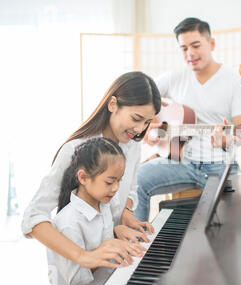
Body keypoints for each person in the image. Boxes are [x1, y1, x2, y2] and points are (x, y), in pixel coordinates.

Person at [22, 71, 160, 271]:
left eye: (147, 122)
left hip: (112, 265)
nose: (140, 129)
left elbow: (128, 192)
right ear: (112, 104)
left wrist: (125, 215)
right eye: (136, 118)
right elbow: (33, 217)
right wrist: (84, 257)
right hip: (78, 274)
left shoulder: (132, 146)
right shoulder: (75, 150)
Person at [134, 17, 241, 222]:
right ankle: (135, 247)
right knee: (135, 182)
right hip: (181, 162)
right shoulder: (174, 77)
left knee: (239, 215)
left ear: (211, 43)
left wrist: (226, 140)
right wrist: (147, 127)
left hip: (220, 165)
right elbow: (141, 97)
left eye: (196, 45)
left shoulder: (234, 80)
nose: (190, 53)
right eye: (184, 48)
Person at [47, 137, 137, 285]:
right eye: (109, 182)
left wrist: (116, 233)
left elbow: (102, 239)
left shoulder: (104, 205)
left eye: (119, 181)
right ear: (83, 178)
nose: (116, 188)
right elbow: (76, 277)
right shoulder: (68, 222)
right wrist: (105, 250)